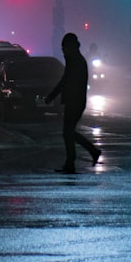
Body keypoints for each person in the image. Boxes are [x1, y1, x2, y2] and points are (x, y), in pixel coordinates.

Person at [45, 32, 101, 173]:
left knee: (68, 132)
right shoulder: (76, 59)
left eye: (64, 47)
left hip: (74, 101)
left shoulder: (74, 60)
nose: (63, 50)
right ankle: (86, 154)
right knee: (68, 132)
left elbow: (66, 81)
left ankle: (77, 159)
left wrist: (52, 96)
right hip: (76, 101)